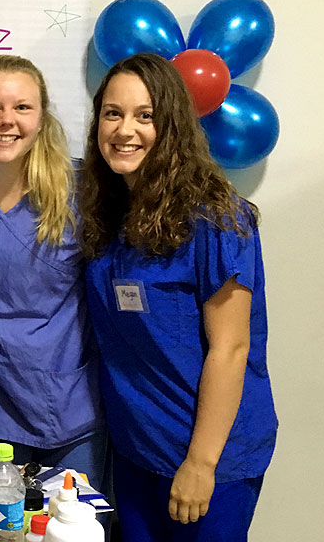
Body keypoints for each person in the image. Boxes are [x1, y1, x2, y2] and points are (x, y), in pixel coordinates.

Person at [80, 53, 276, 541]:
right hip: (136, 450)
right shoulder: (109, 211)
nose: (125, 130)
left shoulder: (215, 217)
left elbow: (231, 350)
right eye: (112, 113)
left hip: (211, 458)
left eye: (145, 116)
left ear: (171, 124)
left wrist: (200, 464)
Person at [0, 55, 105, 485]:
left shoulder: (81, 189)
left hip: (71, 403)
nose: (6, 121)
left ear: (41, 116)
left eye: (22, 108)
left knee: (74, 527)